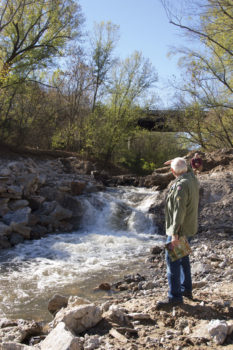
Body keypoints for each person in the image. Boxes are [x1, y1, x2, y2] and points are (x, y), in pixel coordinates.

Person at [156, 157, 199, 309]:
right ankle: (186, 289)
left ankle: (175, 297)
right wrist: (178, 160)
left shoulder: (181, 185)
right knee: (183, 258)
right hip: (189, 227)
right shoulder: (192, 178)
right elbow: (190, 169)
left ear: (173, 171)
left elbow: (178, 212)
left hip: (180, 229)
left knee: (172, 261)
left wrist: (174, 234)